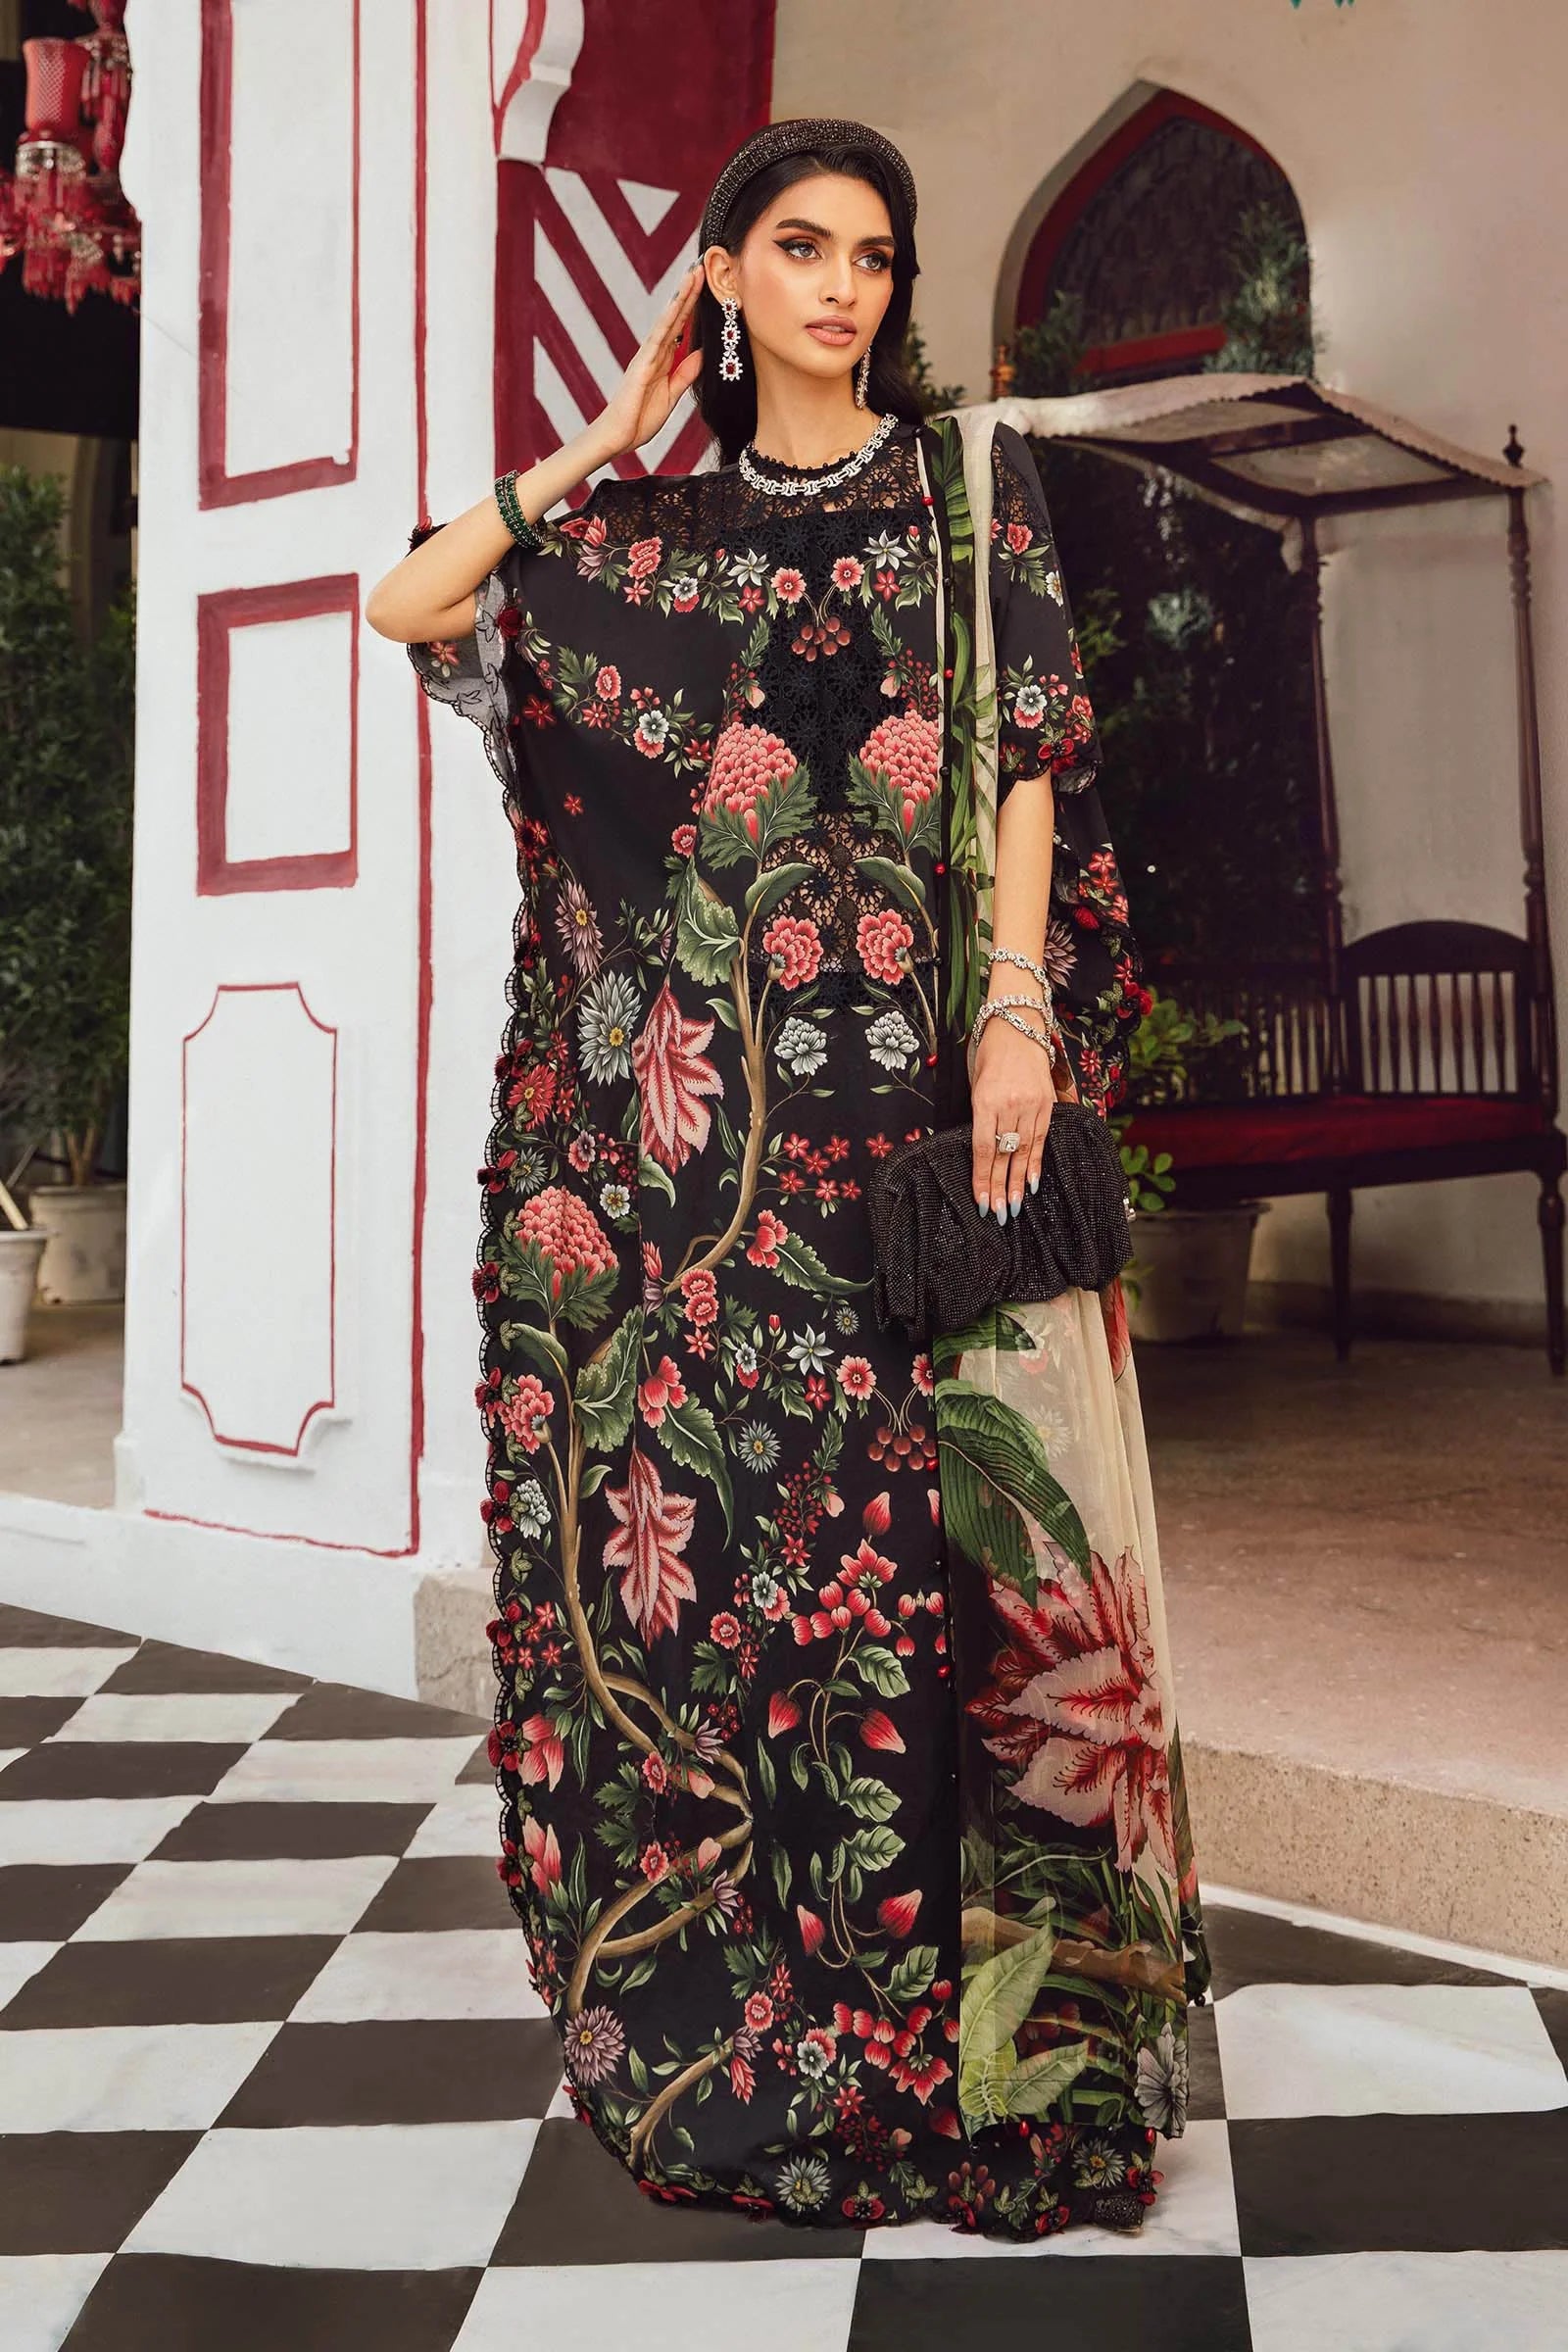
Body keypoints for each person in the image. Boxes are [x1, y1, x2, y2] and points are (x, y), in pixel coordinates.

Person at [367, 117, 1211, 2242]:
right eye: (802, 247)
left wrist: (1013, 1007)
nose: (844, 286)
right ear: (724, 279)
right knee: (760, 1595)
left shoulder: (964, 496)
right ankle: (773, 2048)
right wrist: (601, 432)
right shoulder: (641, 541)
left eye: (875, 255)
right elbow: (410, 600)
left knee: (952, 1586)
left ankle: (1000, 2071)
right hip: (718, 1199)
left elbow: (1023, 761)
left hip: (932, 1138)